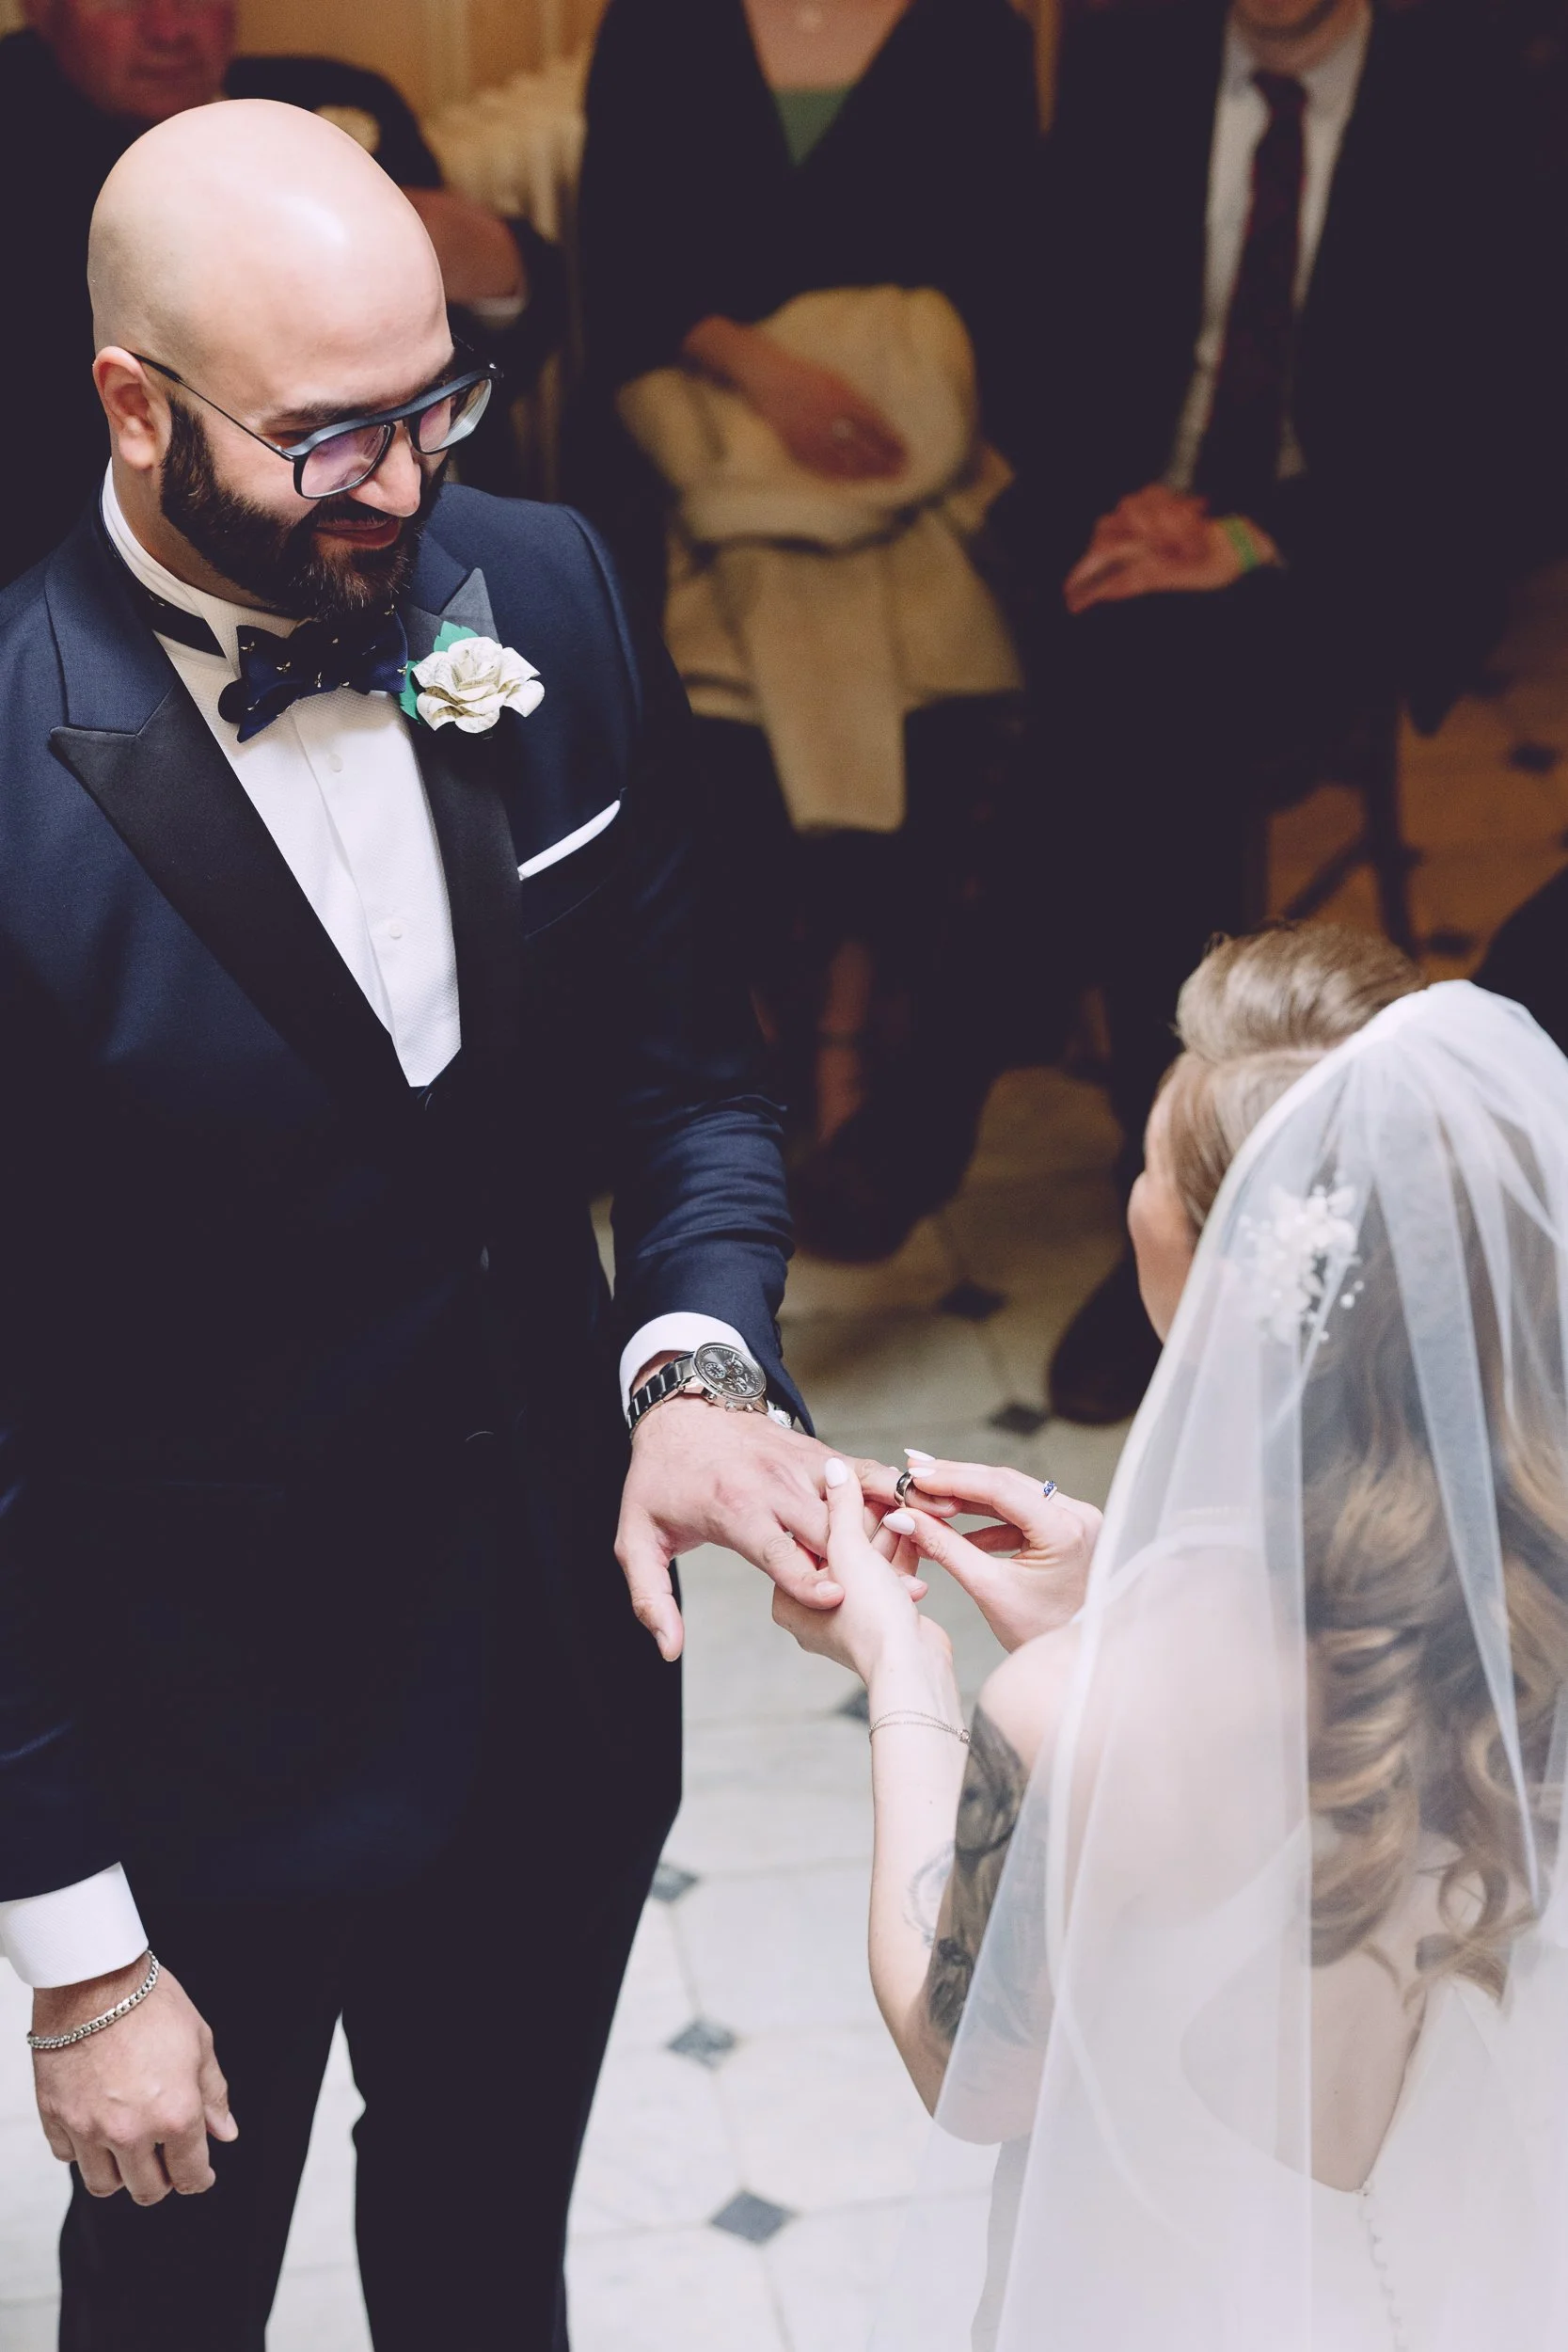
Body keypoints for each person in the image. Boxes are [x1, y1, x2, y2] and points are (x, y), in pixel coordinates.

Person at [0, 98, 887, 2351]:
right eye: (327, 435)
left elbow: (688, 1083)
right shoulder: (13, 779)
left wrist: (692, 1370)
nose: (402, 485)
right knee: (168, 2309)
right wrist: (81, 1954)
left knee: (489, 2275)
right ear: (131, 403)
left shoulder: (544, 587)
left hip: (551, 1698)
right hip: (202, 1770)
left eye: (435, 404)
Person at [784, 922, 1568, 2347]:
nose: (1129, 1192)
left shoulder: (1070, 1715)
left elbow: (970, 2075)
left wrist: (905, 1676)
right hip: (1433, 2268)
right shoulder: (1518, 1567)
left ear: (1222, 1273)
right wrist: (1118, 1593)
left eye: (1145, 1164)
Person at [1025, 0, 1550, 1424]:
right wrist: (1134, 508)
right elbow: (1054, 331)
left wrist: (1247, 539)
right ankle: (1171, 1171)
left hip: (1344, 553)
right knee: (1100, 672)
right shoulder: (1130, 50)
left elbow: (1494, 440)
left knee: (1141, 706)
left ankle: (1127, 1168)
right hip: (1137, 513)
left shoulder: (1468, 88)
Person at [571, 0, 1037, 1258]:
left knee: (921, 680)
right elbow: (615, 268)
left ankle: (815, 1047)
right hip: (691, 449)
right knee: (725, 693)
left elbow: (1005, 279)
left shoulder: (974, 33)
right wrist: (763, 371)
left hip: (905, 457)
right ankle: (785, 1045)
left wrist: (886, 404)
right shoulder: (656, 27)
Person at [0, 0, 568, 588]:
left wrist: (468, 256)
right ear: (40, 10)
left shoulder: (332, 98)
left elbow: (512, 338)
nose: (169, 30)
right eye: (125, 3)